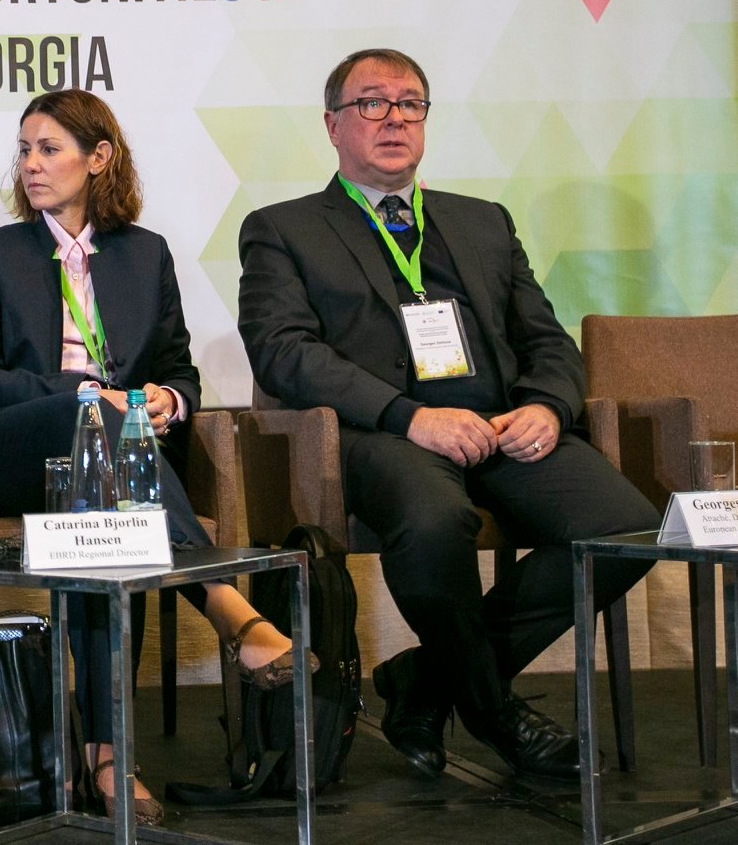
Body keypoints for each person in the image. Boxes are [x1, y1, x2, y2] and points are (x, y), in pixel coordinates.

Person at [237, 47, 659, 781]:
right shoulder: (283, 228)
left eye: (410, 103)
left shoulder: (482, 221)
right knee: (435, 521)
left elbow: (545, 340)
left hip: (501, 426)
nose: (393, 118)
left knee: (626, 528)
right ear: (332, 125)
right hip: (383, 433)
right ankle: (495, 713)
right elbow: (284, 353)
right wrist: (408, 416)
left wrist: (547, 405)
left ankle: (428, 680)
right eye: (371, 103)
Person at [0, 88, 307, 827]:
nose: (30, 164)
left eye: (49, 149)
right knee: (92, 418)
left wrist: (167, 401)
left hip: (114, 463)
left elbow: (178, 370)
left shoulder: (145, 255)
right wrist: (88, 394)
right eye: (24, 150)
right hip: (12, 449)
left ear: (99, 157)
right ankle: (225, 604)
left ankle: (108, 753)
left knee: (113, 510)